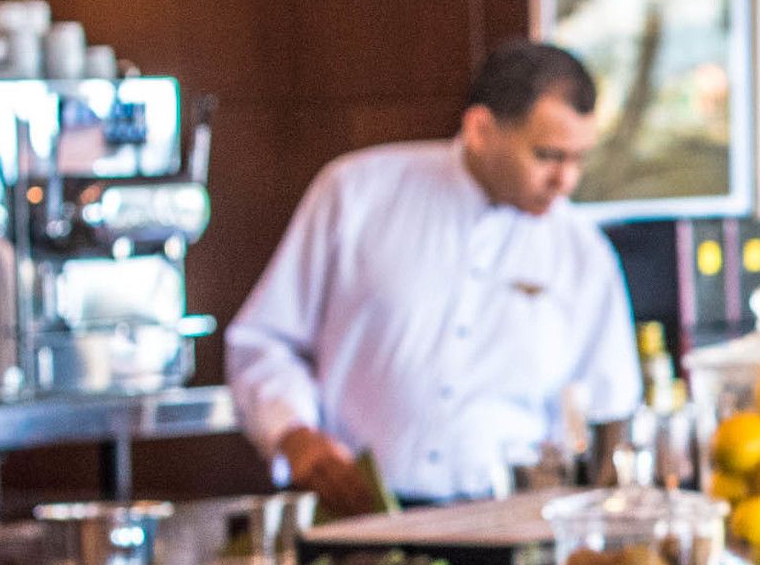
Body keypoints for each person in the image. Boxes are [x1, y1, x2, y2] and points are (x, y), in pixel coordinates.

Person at [227, 42, 641, 513]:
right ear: (481, 129)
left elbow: (609, 406)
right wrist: (294, 433)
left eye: (579, 159)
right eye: (548, 156)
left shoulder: (583, 252)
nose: (566, 181)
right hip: (359, 515)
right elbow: (264, 342)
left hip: (516, 521)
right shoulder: (356, 194)